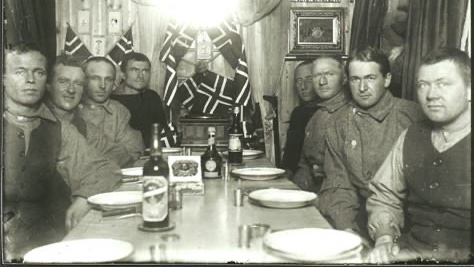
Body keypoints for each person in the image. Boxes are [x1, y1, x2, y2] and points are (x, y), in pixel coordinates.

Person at [3, 43, 121, 261]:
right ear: (3, 78)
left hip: (45, 246)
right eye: (20, 72)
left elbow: (105, 169)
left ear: (45, 80)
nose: (31, 79)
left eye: (38, 72)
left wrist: (84, 198)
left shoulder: (58, 128)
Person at [366, 48, 471, 263]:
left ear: (470, 90)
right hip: (412, 254)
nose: (431, 94)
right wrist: (385, 237)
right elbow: (385, 195)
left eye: (443, 83)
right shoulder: (411, 135)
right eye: (423, 85)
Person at [317, 47, 425, 242]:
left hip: (412, 224)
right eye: (355, 79)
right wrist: (346, 228)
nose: (362, 88)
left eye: (370, 78)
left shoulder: (413, 116)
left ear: (387, 79)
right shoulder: (339, 123)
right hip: (359, 218)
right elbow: (338, 184)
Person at [45, 55, 135, 167]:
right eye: (63, 81)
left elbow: (122, 156)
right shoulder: (38, 122)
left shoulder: (82, 125)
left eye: (78, 84)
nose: (71, 90)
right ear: (48, 85)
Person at [291, 56, 350, 192]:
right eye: (317, 75)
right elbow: (305, 166)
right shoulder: (318, 115)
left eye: (329, 74)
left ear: (344, 78)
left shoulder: (351, 115)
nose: (322, 82)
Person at [78, 56, 144, 162]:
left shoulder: (118, 111)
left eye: (108, 79)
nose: (103, 85)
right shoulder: (71, 107)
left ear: (114, 83)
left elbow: (133, 149)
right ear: (83, 80)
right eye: (95, 78)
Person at [111, 52, 174, 148]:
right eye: (135, 70)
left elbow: (162, 134)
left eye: (145, 70)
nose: (140, 75)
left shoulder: (152, 97)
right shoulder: (111, 100)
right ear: (123, 74)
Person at [281, 61, 320, 177]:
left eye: (309, 80)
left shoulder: (328, 112)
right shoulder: (298, 113)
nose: (303, 86)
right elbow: (290, 158)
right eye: (299, 81)